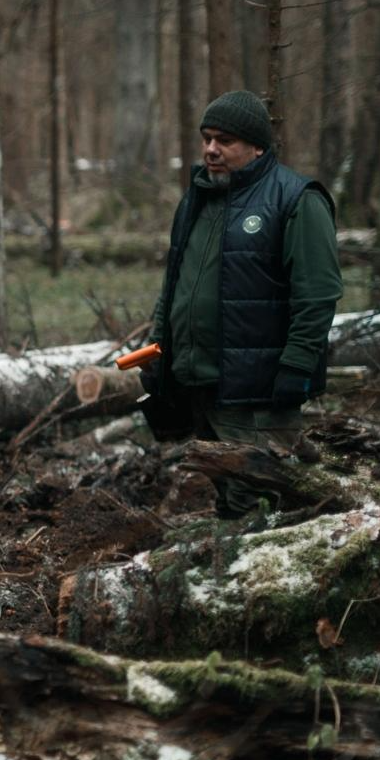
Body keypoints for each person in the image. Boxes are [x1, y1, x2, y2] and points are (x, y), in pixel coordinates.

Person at [143, 90, 343, 517]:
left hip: (260, 394)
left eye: (225, 141)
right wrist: (158, 350)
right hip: (201, 385)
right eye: (207, 138)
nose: (211, 150)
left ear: (256, 146)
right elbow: (173, 286)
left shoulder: (296, 199)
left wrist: (296, 367)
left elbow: (319, 294)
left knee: (266, 505)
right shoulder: (197, 199)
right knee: (229, 497)